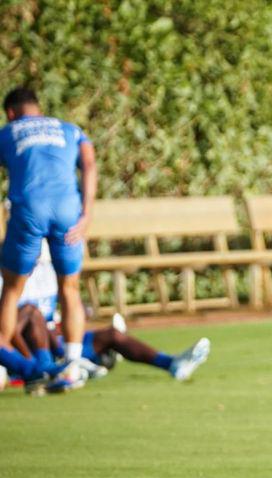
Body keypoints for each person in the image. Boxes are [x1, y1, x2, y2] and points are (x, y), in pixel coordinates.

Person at [0, 86, 97, 392]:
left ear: (11, 112)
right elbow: (90, 163)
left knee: (13, 287)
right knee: (69, 287)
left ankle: (4, 365)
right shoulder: (69, 129)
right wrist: (86, 214)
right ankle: (72, 366)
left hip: (30, 207)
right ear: (38, 108)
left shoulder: (8, 131)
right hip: (69, 210)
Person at [8, 303, 210, 394]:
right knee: (30, 312)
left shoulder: (46, 270)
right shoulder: (10, 280)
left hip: (59, 342)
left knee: (113, 334)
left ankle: (172, 364)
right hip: (37, 350)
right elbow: (7, 329)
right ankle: (42, 370)